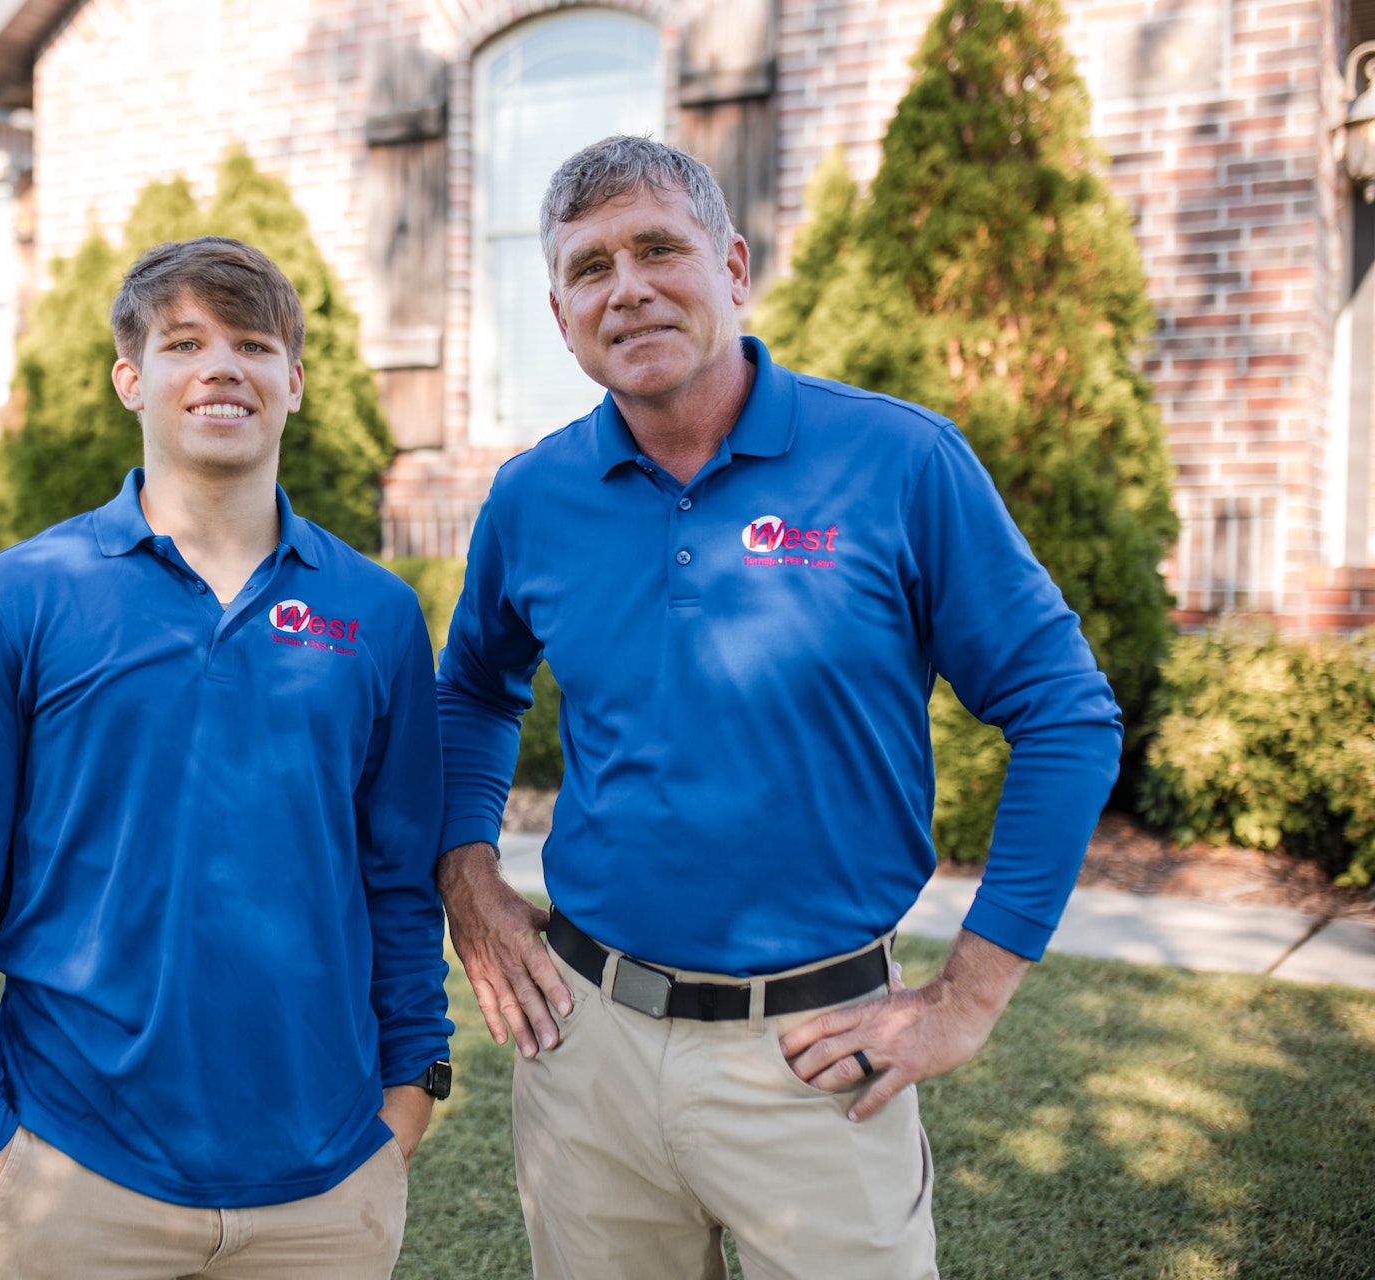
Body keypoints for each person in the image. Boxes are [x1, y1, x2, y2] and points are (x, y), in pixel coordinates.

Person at [435, 136, 1123, 1280]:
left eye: (660, 247)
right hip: (584, 1046)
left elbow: (1066, 711)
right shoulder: (532, 495)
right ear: (562, 316)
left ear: (736, 267)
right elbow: (473, 688)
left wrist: (971, 991)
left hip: (815, 1054)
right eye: (590, 267)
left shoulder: (899, 462)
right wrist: (465, 869)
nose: (629, 286)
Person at [0, 236, 453, 1280]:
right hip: (72, 1174)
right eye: (184, 342)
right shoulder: (15, 600)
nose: (221, 367)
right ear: (130, 379)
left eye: (252, 342)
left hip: (328, 1183)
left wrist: (410, 1093)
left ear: (294, 379)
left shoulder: (376, 613)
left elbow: (400, 881)